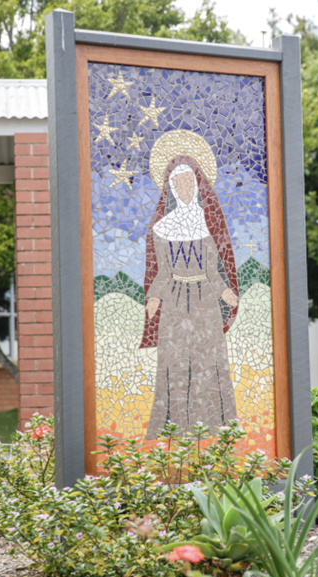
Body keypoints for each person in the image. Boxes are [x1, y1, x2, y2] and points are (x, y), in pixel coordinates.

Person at [140, 152, 240, 439]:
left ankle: (212, 424)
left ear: (197, 186)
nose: (185, 189)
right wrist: (155, 298)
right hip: (173, 300)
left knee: (209, 359)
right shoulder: (162, 228)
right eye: (179, 184)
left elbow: (213, 270)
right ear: (171, 188)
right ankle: (175, 426)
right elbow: (161, 271)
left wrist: (225, 292)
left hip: (206, 301)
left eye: (189, 183)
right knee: (175, 359)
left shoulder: (207, 224)